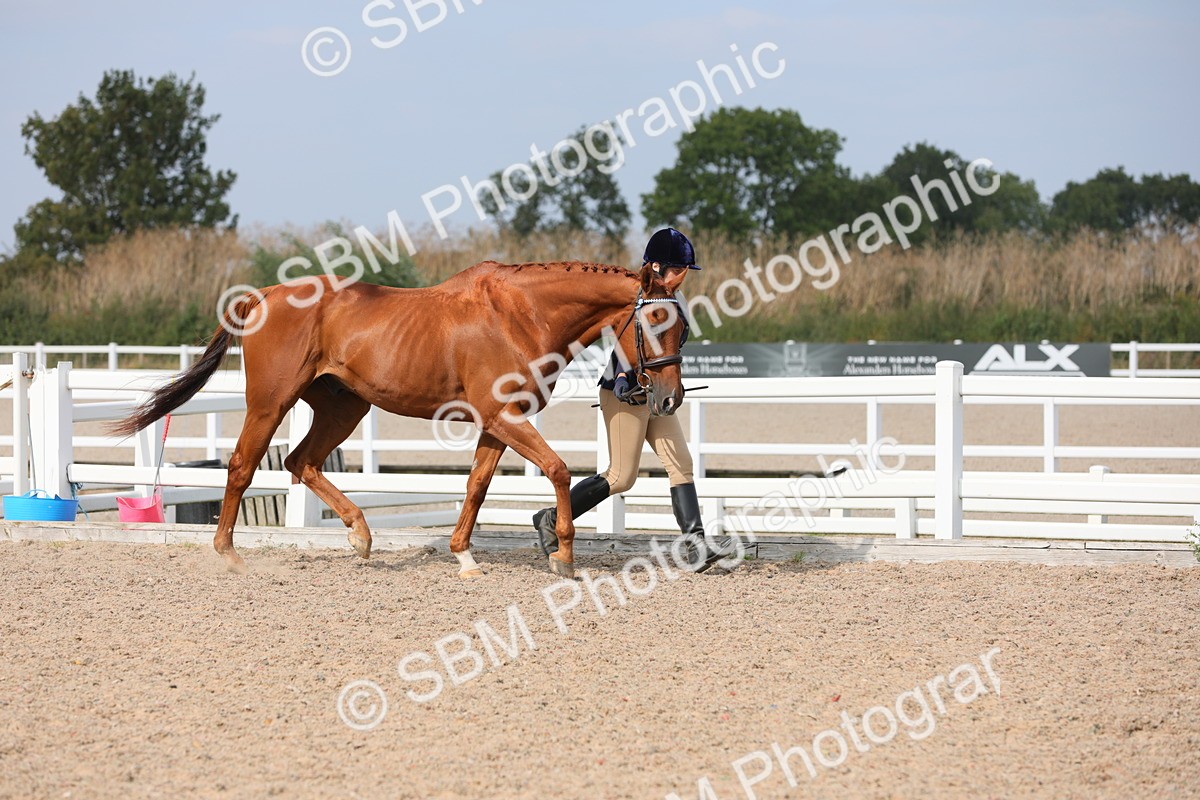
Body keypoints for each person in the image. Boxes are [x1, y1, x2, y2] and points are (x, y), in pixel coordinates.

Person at [533, 228, 727, 572]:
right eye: (675, 270)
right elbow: (621, 339)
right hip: (624, 392)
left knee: (681, 464)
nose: (680, 279)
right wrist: (623, 377)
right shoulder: (632, 297)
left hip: (656, 391)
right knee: (622, 477)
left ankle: (695, 545)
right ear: (654, 267)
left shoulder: (672, 300)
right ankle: (551, 517)